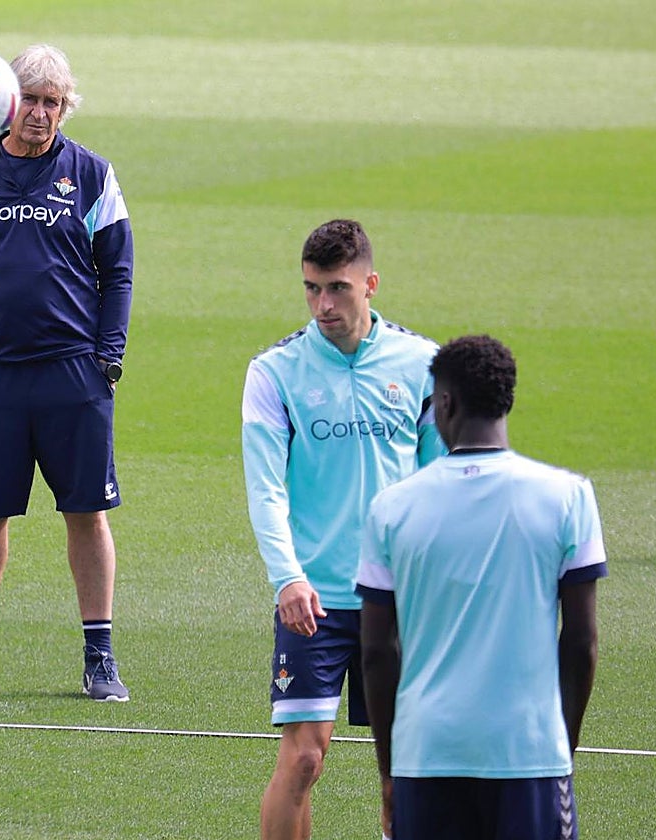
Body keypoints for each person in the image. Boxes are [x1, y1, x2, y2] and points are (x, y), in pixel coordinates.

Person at [0, 44, 135, 702]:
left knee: (88, 513)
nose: (41, 114)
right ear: (5, 105)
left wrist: (109, 353)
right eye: (31, 100)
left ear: (64, 107)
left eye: (53, 102)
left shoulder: (94, 174)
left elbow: (118, 271)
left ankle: (99, 658)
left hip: (72, 374)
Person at [241, 219, 444, 840]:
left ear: (371, 284)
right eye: (311, 289)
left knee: (403, 772)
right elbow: (266, 485)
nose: (323, 305)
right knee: (303, 759)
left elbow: (442, 481)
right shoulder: (274, 372)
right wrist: (287, 578)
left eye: (337, 289)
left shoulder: (424, 363)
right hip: (316, 599)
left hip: (399, 596)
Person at [357, 334, 606, 840]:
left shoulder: (392, 508)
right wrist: (560, 747)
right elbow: (581, 642)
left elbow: (377, 652)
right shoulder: (568, 498)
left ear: (444, 403)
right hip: (529, 754)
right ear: (505, 400)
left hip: (426, 756)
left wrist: (389, 770)